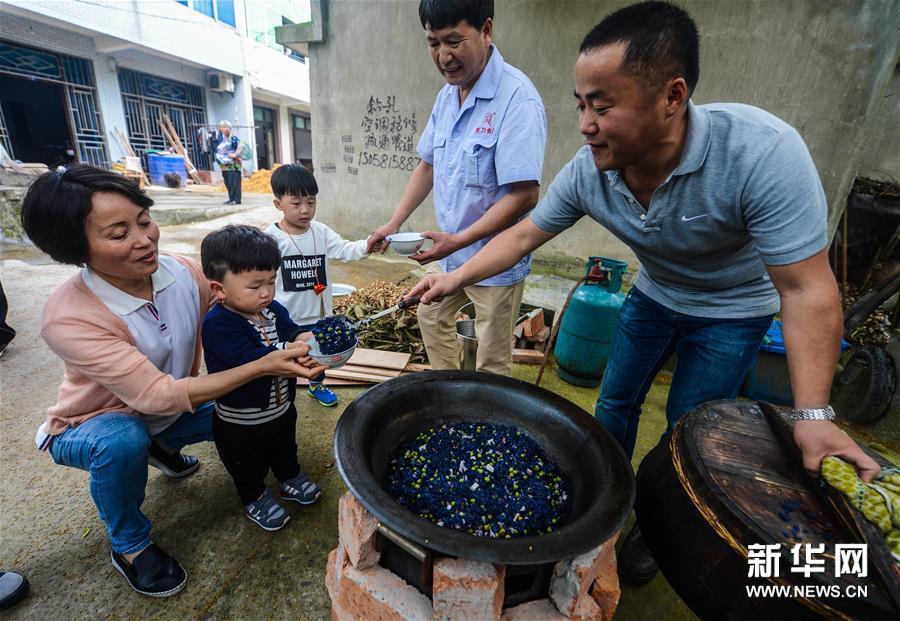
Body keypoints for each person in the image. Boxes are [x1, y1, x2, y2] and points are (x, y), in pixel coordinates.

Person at [407, 0, 880, 584]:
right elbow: (526, 233)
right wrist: (453, 276)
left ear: (672, 97)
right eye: (581, 104)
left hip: (733, 310)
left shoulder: (762, 154)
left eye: (603, 106)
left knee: (689, 429)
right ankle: (603, 505)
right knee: (613, 406)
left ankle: (660, 525)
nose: (585, 124)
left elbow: (807, 289)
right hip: (655, 294)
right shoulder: (591, 170)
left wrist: (812, 413)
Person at [21, 165, 325, 597]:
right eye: (119, 233)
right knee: (122, 440)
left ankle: (161, 447)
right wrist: (266, 364)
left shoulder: (182, 274)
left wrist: (302, 339)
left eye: (144, 220)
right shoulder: (68, 316)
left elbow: (238, 301)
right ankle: (130, 543)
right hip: (94, 423)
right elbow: (157, 394)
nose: (144, 239)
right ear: (76, 248)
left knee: (251, 415)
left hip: (169, 409)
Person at [367, 0, 547, 375]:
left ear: (486, 31)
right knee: (431, 316)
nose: (443, 56)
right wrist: (394, 224)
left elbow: (525, 195)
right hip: (451, 256)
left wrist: (459, 239)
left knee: (492, 360)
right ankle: (451, 392)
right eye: (433, 43)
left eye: (453, 41)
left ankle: (484, 408)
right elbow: (428, 164)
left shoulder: (517, 98)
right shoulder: (447, 97)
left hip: (496, 261)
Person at [201, 225, 324, 530]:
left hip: (281, 409)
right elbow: (248, 358)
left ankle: (289, 477)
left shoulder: (272, 310)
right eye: (255, 286)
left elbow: (292, 331)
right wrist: (289, 349)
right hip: (240, 422)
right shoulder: (218, 324)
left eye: (271, 281)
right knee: (246, 465)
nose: (266, 292)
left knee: (285, 447)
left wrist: (307, 339)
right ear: (219, 289)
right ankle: (254, 496)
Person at [265, 164, 369, 407]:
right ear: (278, 204)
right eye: (296, 203)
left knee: (319, 355)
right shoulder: (270, 239)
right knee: (288, 357)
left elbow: (345, 249)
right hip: (287, 317)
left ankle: (317, 385)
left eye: (311, 202)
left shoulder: (320, 232)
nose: (305, 210)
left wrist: (368, 245)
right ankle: (284, 393)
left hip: (319, 314)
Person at [216, 120, 245, 205]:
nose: (223, 129)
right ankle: (231, 198)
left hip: (233, 164)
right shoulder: (221, 139)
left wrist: (235, 154)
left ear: (230, 128)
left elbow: (241, 145)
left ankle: (236, 199)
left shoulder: (234, 138)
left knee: (234, 182)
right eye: (222, 127)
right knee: (228, 182)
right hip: (224, 165)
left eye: (225, 127)